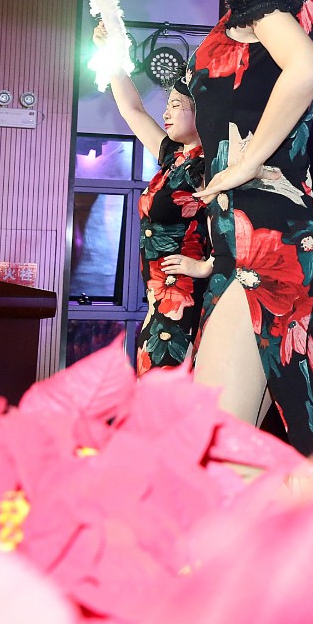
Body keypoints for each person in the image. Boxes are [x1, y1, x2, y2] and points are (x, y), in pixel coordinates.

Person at [147, 0, 313, 454]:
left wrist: (249, 160)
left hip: (267, 239)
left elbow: (306, 71)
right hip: (253, 237)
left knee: (211, 445)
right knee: (239, 453)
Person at [94, 20, 208, 373]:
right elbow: (133, 109)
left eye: (176, 105)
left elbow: (237, 227)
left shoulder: (212, 166)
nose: (166, 113)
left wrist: (205, 266)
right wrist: (112, 53)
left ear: (201, 111)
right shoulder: (174, 157)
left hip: (185, 299)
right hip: (158, 300)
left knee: (167, 394)